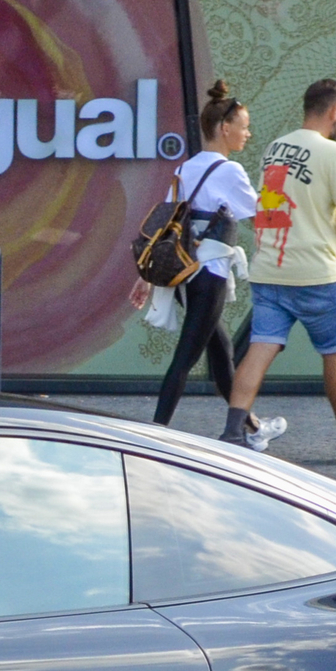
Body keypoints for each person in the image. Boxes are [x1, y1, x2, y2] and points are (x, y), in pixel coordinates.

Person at [221, 78, 336, 460]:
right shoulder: (333, 153)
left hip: (269, 269)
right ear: (334, 111)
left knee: (260, 348)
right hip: (315, 274)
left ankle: (232, 432)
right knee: (335, 354)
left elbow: (277, 204)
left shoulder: (276, 148)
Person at [133, 81, 262, 431]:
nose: (247, 133)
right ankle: (155, 431)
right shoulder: (230, 171)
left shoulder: (184, 169)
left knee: (221, 354)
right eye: (244, 125)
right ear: (225, 128)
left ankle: (249, 426)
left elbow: (164, 227)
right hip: (211, 273)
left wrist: (143, 278)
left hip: (185, 275)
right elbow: (261, 210)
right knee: (185, 359)